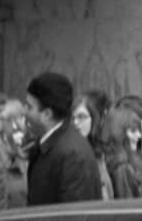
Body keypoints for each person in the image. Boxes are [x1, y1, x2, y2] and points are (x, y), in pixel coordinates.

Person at [21, 72, 106, 205]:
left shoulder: (73, 156)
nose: (24, 112)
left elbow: (74, 218)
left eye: (29, 107)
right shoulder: (51, 145)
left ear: (47, 114)